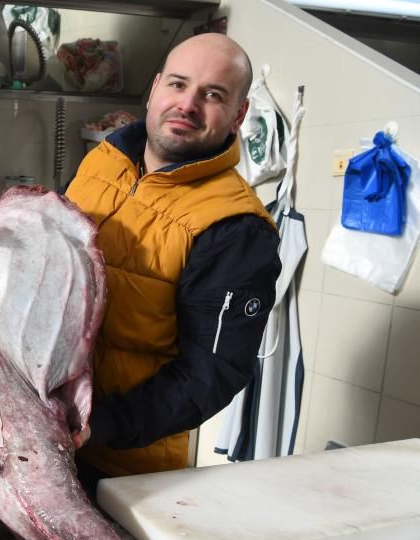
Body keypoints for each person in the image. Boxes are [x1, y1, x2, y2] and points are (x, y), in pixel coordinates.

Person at [64, 33, 282, 485]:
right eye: (178, 85)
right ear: (155, 87)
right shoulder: (103, 161)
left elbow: (211, 372)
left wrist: (95, 426)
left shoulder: (234, 227)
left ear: (238, 114)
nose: (188, 104)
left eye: (213, 95)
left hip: (125, 470)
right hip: (38, 431)